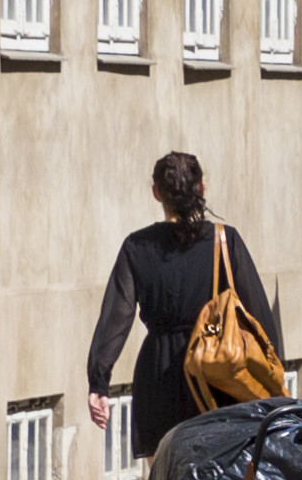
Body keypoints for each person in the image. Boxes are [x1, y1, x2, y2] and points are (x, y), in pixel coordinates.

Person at [86, 150, 277, 455]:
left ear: (156, 193)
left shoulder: (137, 246)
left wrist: (99, 382)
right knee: (219, 479)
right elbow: (260, 318)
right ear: (202, 188)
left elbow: (116, 318)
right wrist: (272, 380)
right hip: (217, 374)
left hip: (158, 375)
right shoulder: (225, 240)